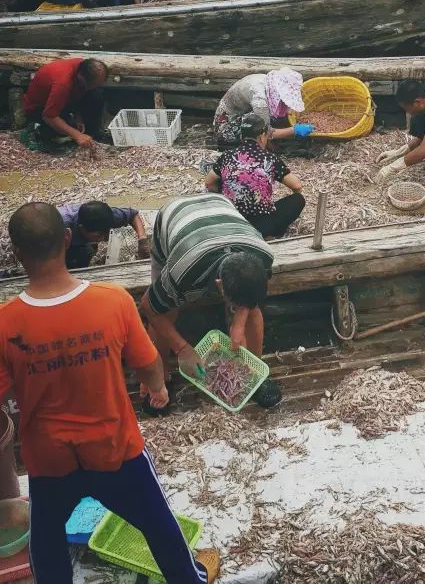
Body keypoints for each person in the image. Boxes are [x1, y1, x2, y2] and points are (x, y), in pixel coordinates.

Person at [0, 202, 220, 584]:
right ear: (68, 240)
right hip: (115, 447)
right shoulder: (113, 300)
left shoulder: (5, 323)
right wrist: (157, 390)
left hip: (50, 457)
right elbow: (148, 362)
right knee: (157, 523)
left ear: (17, 252)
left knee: (47, 541)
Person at [139, 193, 282, 411]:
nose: (238, 309)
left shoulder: (262, 256)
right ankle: (161, 378)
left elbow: (250, 303)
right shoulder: (182, 271)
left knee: (252, 310)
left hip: (221, 206)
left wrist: (239, 324)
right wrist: (183, 348)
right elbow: (149, 307)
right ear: (219, 285)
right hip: (175, 218)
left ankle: (254, 376)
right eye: (234, 305)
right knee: (167, 309)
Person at [205, 113, 305, 238]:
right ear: (262, 137)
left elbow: (209, 182)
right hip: (261, 226)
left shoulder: (227, 156)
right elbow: (297, 186)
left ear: (242, 137)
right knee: (298, 200)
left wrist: (227, 191)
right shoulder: (270, 159)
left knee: (221, 181)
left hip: (233, 220)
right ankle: (271, 234)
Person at [22, 56, 108, 151]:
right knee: (63, 130)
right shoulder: (63, 84)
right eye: (92, 85)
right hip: (39, 108)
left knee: (96, 95)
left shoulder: (82, 66)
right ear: (81, 77)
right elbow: (49, 116)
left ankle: (91, 136)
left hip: (64, 100)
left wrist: (78, 116)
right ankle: (38, 130)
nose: (94, 87)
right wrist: (77, 135)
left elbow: (80, 92)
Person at [213, 68, 314, 147]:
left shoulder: (270, 82)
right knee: (259, 130)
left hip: (246, 111)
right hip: (226, 124)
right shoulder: (260, 98)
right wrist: (294, 130)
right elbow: (263, 132)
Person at [57, 201, 150, 269]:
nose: (104, 239)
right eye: (98, 235)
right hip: (57, 246)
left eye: (106, 233)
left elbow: (133, 215)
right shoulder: (60, 227)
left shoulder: (105, 217)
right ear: (82, 228)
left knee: (87, 253)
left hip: (77, 241)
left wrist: (142, 240)